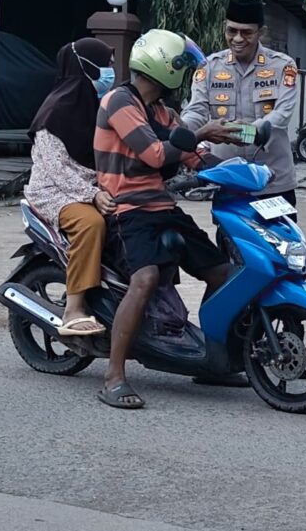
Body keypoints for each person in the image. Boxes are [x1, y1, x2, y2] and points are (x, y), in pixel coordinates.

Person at [94, 28, 225, 411]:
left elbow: (190, 152)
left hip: (162, 206)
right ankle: (113, 376)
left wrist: (232, 169)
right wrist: (198, 133)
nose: (184, 72)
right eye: (181, 65)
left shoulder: (162, 111)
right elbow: (155, 154)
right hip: (128, 209)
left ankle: (210, 360)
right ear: (167, 66)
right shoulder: (118, 101)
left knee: (221, 272)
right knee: (145, 279)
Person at [26, 38, 117, 337]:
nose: (111, 71)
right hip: (53, 192)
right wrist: (92, 195)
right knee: (90, 224)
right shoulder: (55, 110)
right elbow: (57, 170)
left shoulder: (100, 105)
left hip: (91, 188)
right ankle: (74, 308)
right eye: (106, 65)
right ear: (86, 67)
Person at [184, 0, 302, 207]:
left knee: (281, 240)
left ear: (261, 32)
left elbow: (282, 114)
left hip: (274, 181)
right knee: (230, 240)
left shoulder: (283, 66)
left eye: (246, 32)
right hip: (229, 180)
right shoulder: (209, 67)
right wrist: (182, 131)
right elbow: (197, 110)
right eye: (232, 31)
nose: (237, 39)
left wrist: (246, 132)